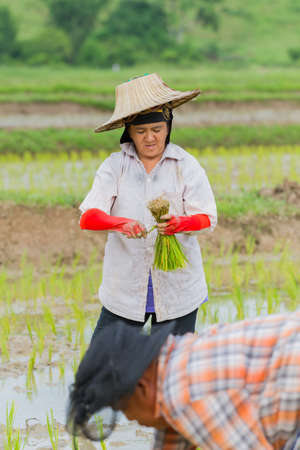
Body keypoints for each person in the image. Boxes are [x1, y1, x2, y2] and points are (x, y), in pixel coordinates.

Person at [79, 73, 217, 337]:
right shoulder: (114, 167)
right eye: (141, 131)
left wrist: (180, 224)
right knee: (105, 365)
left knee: (172, 366)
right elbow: (89, 217)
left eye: (157, 129)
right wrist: (120, 223)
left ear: (168, 127)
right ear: (128, 132)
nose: (150, 138)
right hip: (124, 293)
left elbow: (207, 218)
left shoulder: (186, 166)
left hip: (179, 292)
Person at [67, 312, 300, 449]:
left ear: (142, 387)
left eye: (124, 408)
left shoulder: (185, 396)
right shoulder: (175, 361)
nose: (130, 419)